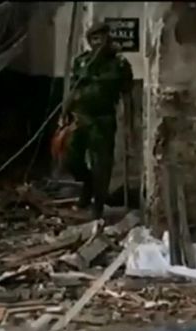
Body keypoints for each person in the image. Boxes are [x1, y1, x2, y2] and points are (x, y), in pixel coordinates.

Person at [61, 22, 133, 220]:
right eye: (93, 39)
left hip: (103, 120)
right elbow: (74, 89)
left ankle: (98, 205)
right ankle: (88, 184)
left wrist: (129, 125)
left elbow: (127, 95)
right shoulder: (82, 62)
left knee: (102, 164)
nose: (97, 43)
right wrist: (64, 112)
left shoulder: (119, 64)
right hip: (80, 117)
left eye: (101, 38)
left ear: (108, 38)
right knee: (70, 159)